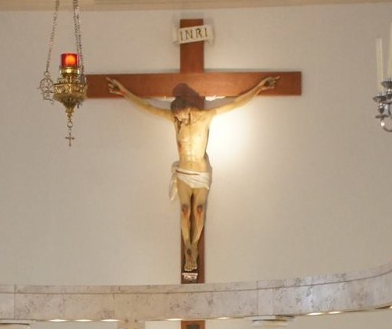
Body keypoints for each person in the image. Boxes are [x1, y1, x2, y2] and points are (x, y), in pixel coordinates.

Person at [105, 74, 280, 273]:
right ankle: (187, 245)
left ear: (187, 110)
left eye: (180, 117)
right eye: (176, 118)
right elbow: (148, 107)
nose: (178, 122)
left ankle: (194, 245)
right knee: (184, 210)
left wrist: (258, 88)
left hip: (201, 172)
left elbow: (235, 104)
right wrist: (124, 92)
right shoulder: (175, 119)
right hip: (184, 171)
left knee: (199, 209)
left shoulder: (205, 117)